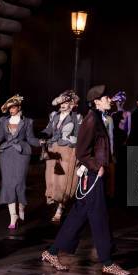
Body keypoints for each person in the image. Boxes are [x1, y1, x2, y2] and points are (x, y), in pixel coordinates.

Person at [41, 85, 130, 275]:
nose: (110, 100)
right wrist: (96, 167)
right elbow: (82, 151)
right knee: (99, 216)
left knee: (78, 216)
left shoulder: (100, 118)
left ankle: (52, 252)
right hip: (91, 175)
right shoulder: (91, 120)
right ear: (97, 101)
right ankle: (107, 262)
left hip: (94, 174)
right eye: (106, 97)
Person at [0, 94, 41, 229]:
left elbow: (31, 139)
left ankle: (21, 207)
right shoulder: (4, 121)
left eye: (13, 107)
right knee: (8, 184)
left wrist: (40, 142)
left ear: (19, 107)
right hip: (6, 154)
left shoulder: (27, 122)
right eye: (9, 108)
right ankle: (13, 216)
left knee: (19, 183)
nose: (11, 110)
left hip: (21, 153)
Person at [42, 90, 82, 223]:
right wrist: (42, 136)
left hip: (67, 151)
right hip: (53, 149)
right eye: (62, 102)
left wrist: (70, 139)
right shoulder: (54, 115)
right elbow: (48, 130)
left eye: (67, 102)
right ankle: (55, 200)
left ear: (71, 104)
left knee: (64, 181)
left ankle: (60, 209)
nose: (63, 104)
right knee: (52, 178)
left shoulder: (77, 117)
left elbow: (79, 136)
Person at [110, 91, 131, 203]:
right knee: (116, 168)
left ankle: (123, 194)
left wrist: (127, 141)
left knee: (123, 167)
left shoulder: (127, 114)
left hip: (123, 144)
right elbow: (111, 132)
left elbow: (130, 130)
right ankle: (116, 193)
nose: (119, 103)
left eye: (120, 101)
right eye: (117, 101)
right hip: (116, 143)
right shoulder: (113, 115)